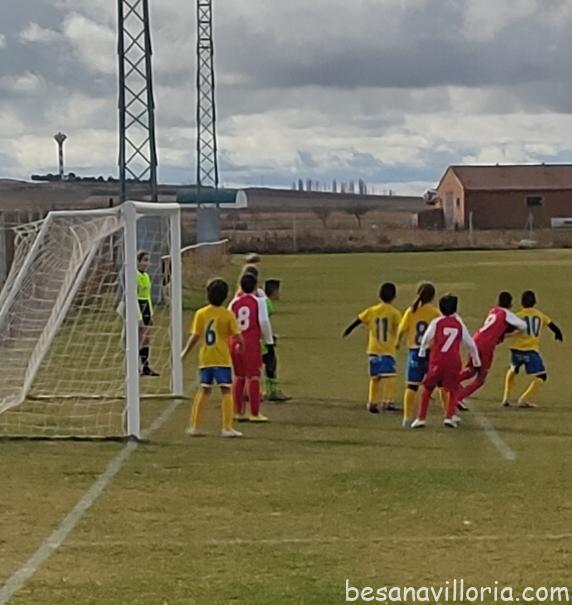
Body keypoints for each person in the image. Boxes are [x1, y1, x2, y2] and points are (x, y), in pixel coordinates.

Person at [182, 279, 244, 438]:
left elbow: (195, 336)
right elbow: (237, 336)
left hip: (206, 358)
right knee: (226, 390)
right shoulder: (227, 315)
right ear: (225, 296)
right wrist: (242, 346)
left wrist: (185, 352)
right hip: (221, 358)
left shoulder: (201, 313)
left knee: (204, 390)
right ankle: (227, 427)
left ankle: (194, 426)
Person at [412, 294, 481, 429]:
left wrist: (421, 352)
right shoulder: (459, 324)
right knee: (453, 389)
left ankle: (421, 418)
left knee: (427, 389)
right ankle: (450, 416)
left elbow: (426, 338)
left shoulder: (437, 322)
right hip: (453, 361)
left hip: (437, 361)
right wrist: (476, 361)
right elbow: (471, 344)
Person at [457, 292, 527, 408]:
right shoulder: (506, 313)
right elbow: (523, 325)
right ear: (510, 304)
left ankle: (449, 382)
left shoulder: (493, 311)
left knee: (471, 370)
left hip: (475, 340)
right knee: (481, 378)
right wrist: (513, 333)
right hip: (486, 347)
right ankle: (458, 397)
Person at [343, 283, 401, 414]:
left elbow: (358, 320)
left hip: (373, 350)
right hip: (387, 350)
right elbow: (401, 326)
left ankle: (372, 402)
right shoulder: (394, 312)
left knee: (375, 378)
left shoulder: (372, 310)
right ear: (394, 296)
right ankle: (388, 401)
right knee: (390, 377)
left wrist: (348, 330)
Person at [502, 290, 563, 408]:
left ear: (522, 303)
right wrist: (558, 333)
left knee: (513, 370)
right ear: (535, 302)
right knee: (542, 376)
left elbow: (508, 328)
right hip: (530, 350)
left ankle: (506, 398)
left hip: (516, 349)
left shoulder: (518, 315)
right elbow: (551, 325)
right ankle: (523, 399)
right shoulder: (539, 315)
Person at [229, 273, 274, 422]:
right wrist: (269, 341)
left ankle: (237, 412)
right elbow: (264, 321)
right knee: (253, 376)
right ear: (255, 286)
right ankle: (254, 413)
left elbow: (229, 320)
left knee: (239, 376)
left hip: (235, 342)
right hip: (250, 343)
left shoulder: (234, 302)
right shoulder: (259, 302)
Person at [397, 282, 441, 427]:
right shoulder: (435, 313)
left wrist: (397, 342)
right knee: (440, 384)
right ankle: (449, 415)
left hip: (414, 351)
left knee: (411, 386)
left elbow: (402, 329)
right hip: (430, 351)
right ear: (432, 297)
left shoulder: (411, 311)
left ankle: (407, 418)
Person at [263, 279, 290, 402]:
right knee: (271, 364)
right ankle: (272, 392)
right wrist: (269, 338)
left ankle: (268, 391)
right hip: (262, 341)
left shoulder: (263, 301)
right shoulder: (267, 304)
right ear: (274, 291)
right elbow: (264, 323)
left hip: (257, 339)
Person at [137, 251, 159, 376]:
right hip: (138, 306)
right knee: (139, 338)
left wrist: (150, 313)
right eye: (144, 260)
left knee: (146, 339)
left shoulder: (146, 275)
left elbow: (148, 296)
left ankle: (145, 367)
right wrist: (138, 316)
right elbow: (134, 296)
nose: (147, 263)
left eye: (148, 260)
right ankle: (135, 366)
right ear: (138, 262)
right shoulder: (134, 275)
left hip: (146, 306)